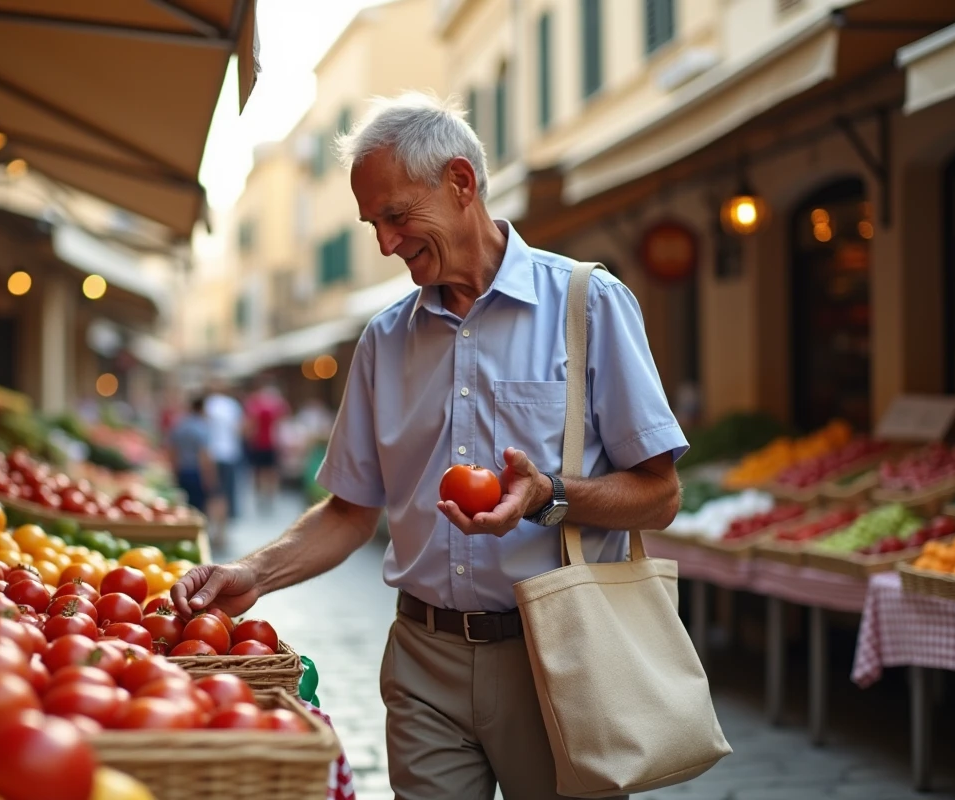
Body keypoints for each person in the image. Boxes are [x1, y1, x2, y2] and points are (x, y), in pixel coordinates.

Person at [171, 92, 687, 800]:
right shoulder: (384, 341)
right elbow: (349, 512)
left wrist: (551, 497)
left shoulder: (588, 304)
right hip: (423, 662)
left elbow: (660, 494)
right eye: (372, 224)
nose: (385, 244)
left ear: (461, 182)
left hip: (559, 655)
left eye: (396, 216)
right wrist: (253, 573)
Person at [202, 381, 244, 551]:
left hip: (210, 454)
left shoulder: (207, 405)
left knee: (213, 493)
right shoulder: (232, 405)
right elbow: (239, 429)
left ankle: (212, 532)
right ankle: (222, 533)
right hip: (229, 454)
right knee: (226, 495)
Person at [242, 376, 291, 512]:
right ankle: (270, 497)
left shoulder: (254, 403)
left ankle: (263, 497)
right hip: (272, 443)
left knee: (260, 472)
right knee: (271, 472)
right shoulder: (278, 403)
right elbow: (283, 422)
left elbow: (249, 424)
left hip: (259, 443)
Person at [165, 394, 217, 517]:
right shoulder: (202, 428)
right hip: (197, 472)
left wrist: (174, 470)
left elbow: (172, 450)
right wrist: (210, 477)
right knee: (199, 509)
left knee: (185, 507)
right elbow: (204, 455)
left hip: (182, 470)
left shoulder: (180, 425)